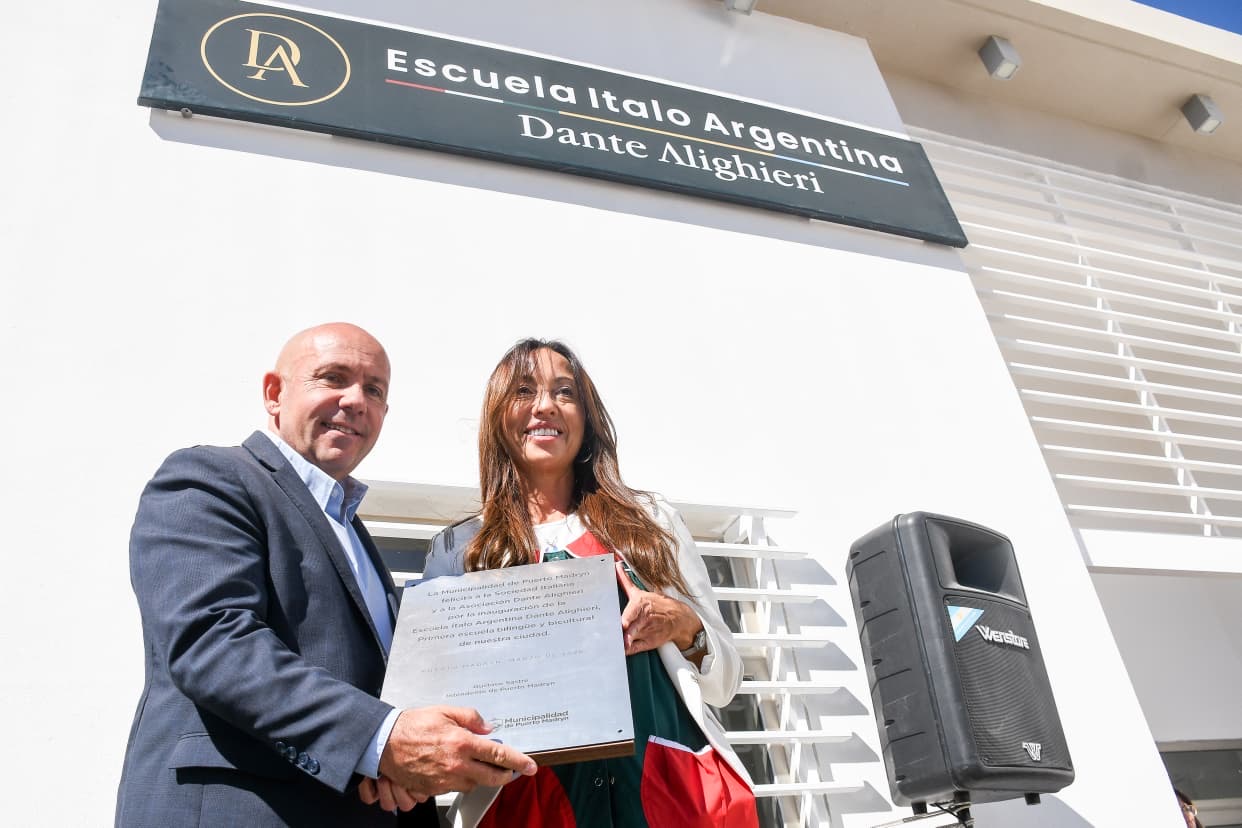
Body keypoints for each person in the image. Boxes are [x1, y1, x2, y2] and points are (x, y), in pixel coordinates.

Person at [115, 323, 536, 827]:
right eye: (333, 377)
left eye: (374, 390)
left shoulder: (352, 529)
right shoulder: (210, 480)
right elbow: (214, 642)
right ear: (275, 393)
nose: (356, 400)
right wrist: (383, 740)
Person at [422, 338, 757, 828]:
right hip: (530, 809)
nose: (545, 405)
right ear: (497, 415)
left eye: (564, 392)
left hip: (671, 799)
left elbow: (726, 683)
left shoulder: (650, 521)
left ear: (586, 416)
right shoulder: (462, 550)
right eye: (523, 390)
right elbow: (434, 712)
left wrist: (685, 626)